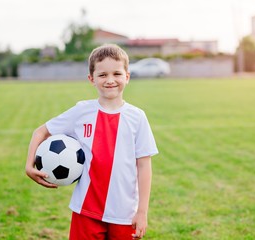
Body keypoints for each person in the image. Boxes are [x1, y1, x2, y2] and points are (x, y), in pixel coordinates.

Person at [25, 44, 158, 240]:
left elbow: (144, 165)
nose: (110, 80)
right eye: (102, 75)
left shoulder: (137, 117)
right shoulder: (81, 112)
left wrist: (142, 212)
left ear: (127, 77)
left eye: (117, 74)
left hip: (124, 213)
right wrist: (29, 165)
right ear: (91, 79)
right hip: (86, 210)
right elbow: (41, 132)